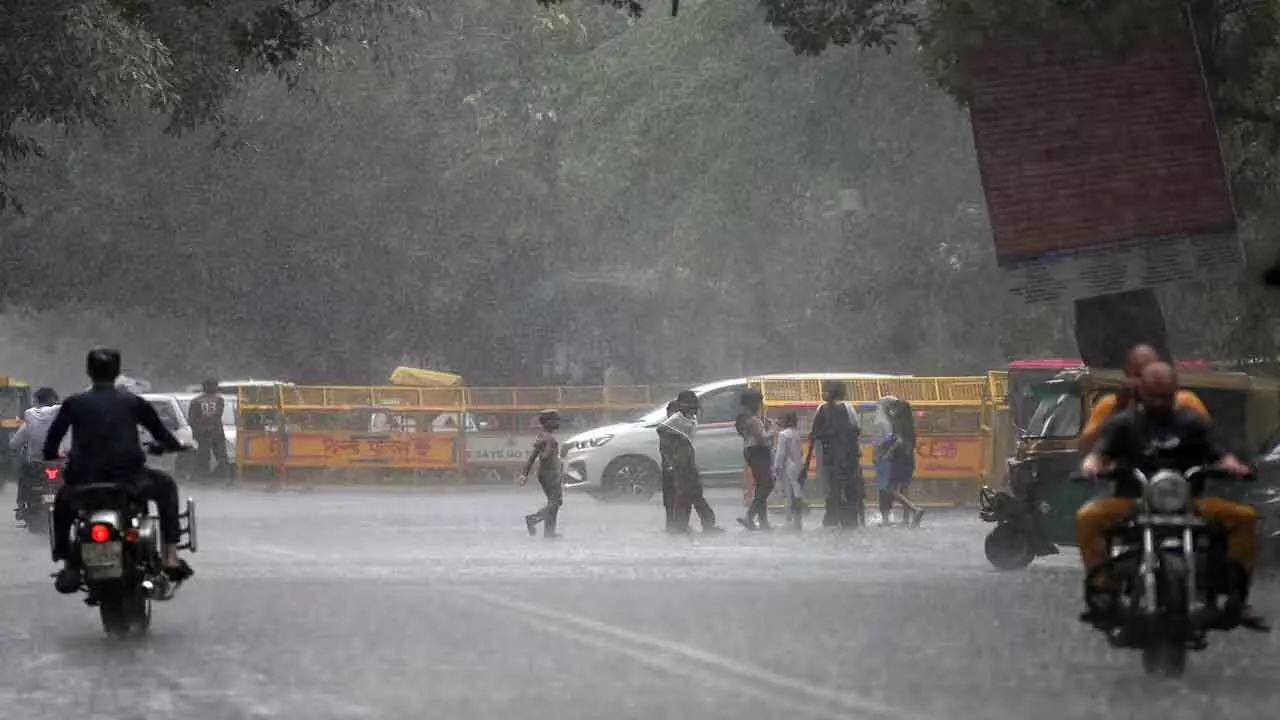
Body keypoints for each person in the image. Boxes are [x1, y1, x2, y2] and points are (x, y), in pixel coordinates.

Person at [1077, 362, 1257, 627]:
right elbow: (1100, 452)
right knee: (1087, 517)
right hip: (1134, 502)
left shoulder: (1192, 421)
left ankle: (1234, 594)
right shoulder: (1124, 423)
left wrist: (1231, 465)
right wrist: (1092, 465)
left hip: (1189, 502)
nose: (1160, 402)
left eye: (1166, 396)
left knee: (1245, 517)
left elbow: (1218, 451)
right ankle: (1105, 589)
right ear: (1142, 393)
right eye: (1154, 396)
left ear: (1175, 393)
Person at [43, 348, 193, 594]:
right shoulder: (132, 401)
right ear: (117, 372)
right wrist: (175, 446)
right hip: (130, 481)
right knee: (166, 486)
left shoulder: (74, 403)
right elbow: (162, 435)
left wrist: (54, 455)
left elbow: (50, 445)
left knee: (62, 503)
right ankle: (170, 556)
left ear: (89, 372)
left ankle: (67, 560)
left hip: (83, 483)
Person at [1078, 344, 1208, 453]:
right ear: (1126, 375)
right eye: (1139, 375)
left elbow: (1209, 441)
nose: (1146, 382)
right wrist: (1118, 409)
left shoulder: (1185, 401)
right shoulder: (1109, 403)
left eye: (1151, 373)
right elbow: (1085, 448)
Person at [662, 390, 722, 534]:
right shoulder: (675, 422)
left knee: (690, 495)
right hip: (679, 464)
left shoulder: (685, 419)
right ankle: (681, 525)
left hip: (685, 463)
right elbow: (668, 445)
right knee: (686, 495)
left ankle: (682, 525)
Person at [808, 381, 863, 528]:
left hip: (828, 457)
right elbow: (857, 430)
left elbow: (814, 434)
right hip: (847, 457)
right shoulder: (848, 408)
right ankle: (849, 518)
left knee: (832, 488)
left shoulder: (821, 409)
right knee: (848, 487)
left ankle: (832, 517)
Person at [9, 387, 65, 507]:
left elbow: (14, 443)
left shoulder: (30, 418)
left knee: (24, 472)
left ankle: (21, 505)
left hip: (36, 464)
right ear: (54, 400)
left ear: (38, 401)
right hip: (60, 462)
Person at [874, 398, 924, 527]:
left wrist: (888, 453)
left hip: (900, 460)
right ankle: (906, 520)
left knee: (891, 488)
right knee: (904, 489)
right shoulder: (909, 425)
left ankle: (915, 510)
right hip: (910, 460)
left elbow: (899, 441)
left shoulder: (898, 425)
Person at [519, 409, 564, 539]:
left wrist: (524, 474)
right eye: (556, 420)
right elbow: (545, 457)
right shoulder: (550, 439)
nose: (558, 423)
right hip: (551, 474)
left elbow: (532, 458)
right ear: (548, 422)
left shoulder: (542, 435)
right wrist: (557, 462)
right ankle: (534, 519)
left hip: (543, 474)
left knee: (552, 502)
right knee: (556, 502)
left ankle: (549, 532)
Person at [735, 388, 776, 531]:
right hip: (758, 451)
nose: (760, 404)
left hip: (751, 451)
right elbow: (762, 438)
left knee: (761, 485)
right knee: (767, 484)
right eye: (758, 401)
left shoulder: (744, 418)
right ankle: (750, 515)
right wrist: (772, 430)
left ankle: (763, 521)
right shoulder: (751, 420)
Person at [187, 378, 230, 481]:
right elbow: (218, 415)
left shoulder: (195, 401)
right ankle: (225, 478)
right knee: (221, 456)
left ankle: (203, 477)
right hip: (216, 432)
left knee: (203, 456)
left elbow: (191, 419)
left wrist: (196, 431)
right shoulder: (219, 400)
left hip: (202, 433)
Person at [772, 410, 805, 531]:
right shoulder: (796, 433)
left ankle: (788, 520)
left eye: (781, 419)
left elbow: (781, 453)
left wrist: (776, 468)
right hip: (798, 465)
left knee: (787, 494)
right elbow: (800, 451)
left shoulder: (783, 435)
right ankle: (798, 520)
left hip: (788, 466)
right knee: (797, 491)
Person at [657, 400, 680, 532]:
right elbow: (666, 450)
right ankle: (673, 525)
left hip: (675, 468)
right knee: (672, 498)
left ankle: (674, 524)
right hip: (671, 469)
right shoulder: (667, 430)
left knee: (675, 498)